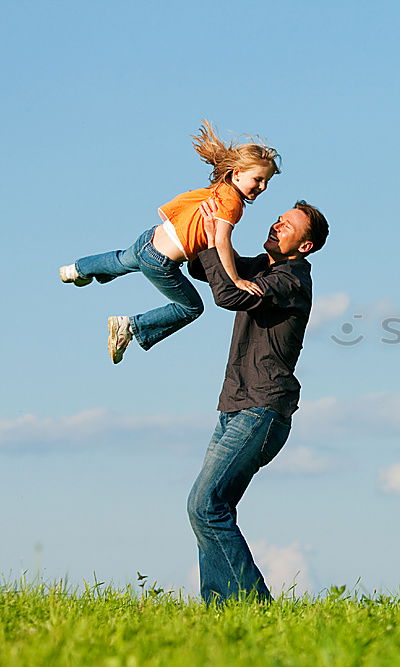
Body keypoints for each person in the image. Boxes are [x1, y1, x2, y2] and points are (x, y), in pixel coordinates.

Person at [186, 198, 329, 604]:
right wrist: (208, 216)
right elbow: (202, 266)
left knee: (205, 505)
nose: (276, 225)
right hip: (234, 407)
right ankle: (220, 607)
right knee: (213, 511)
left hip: (263, 409)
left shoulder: (291, 281)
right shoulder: (261, 268)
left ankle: (252, 604)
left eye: (287, 226)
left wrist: (219, 238)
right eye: (279, 219)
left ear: (305, 246)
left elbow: (228, 295)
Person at [58, 121, 280, 363]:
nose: (263, 186)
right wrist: (236, 279)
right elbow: (221, 241)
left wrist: (233, 258)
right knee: (191, 308)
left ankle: (76, 270)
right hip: (160, 262)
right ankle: (129, 326)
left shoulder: (218, 190)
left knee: (120, 260)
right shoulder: (233, 203)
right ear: (237, 173)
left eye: (267, 181)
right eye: (258, 179)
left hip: (149, 240)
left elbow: (210, 234)